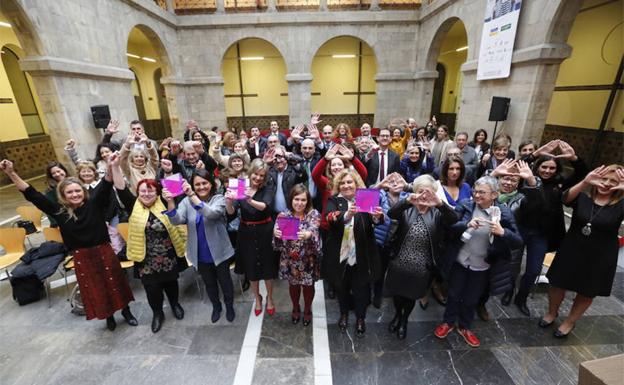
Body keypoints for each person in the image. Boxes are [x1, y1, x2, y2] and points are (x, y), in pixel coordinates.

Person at [1, 157, 137, 331]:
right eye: (70, 192)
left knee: (116, 282)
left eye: (77, 191)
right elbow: (31, 193)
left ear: (83, 192)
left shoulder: (94, 202)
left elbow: (107, 180)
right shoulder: (58, 211)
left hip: (104, 251)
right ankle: (109, 316)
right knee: (97, 289)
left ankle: (126, 311)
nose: (75, 195)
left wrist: (111, 164)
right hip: (82, 257)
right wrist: (11, 173)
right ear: (63, 196)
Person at [434, 176, 522, 348]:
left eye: (482, 192)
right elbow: (450, 227)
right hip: (460, 261)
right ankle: (448, 322)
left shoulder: (503, 213)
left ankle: (465, 326)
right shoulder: (466, 205)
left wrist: (503, 232)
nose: (477, 195)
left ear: (494, 195)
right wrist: (466, 224)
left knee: (471, 298)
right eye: (475, 191)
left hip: (483, 265)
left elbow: (518, 241)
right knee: (453, 294)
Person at [540, 165, 624, 337]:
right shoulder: (584, 196)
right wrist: (585, 181)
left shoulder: (621, 204)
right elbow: (564, 199)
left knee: (586, 291)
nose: (607, 183)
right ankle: (552, 312)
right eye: (604, 178)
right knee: (556, 284)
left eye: (613, 181)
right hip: (572, 248)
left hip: (600, 255)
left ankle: (570, 321)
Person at [111, 159, 187, 333]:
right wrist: (115, 166)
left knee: (171, 283)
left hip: (168, 254)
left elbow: (174, 188)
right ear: (137, 193)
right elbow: (120, 188)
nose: (146, 194)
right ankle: (157, 313)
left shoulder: (164, 200)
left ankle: (175, 304)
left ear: (157, 192)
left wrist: (168, 171)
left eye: (150, 190)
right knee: (152, 290)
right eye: (142, 191)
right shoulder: (133, 205)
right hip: (146, 259)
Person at [513, 140, 587, 316]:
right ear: (537, 167)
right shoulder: (525, 178)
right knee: (511, 265)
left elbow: (583, 174)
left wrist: (574, 158)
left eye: (552, 168)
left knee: (533, 270)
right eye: (544, 167)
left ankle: (521, 297)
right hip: (520, 228)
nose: (547, 171)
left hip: (541, 234)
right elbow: (515, 166)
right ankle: (509, 290)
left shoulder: (560, 184)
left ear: (557, 170)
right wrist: (535, 154)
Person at [386, 175, 458, 339]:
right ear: (414, 192)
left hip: (422, 265)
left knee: (411, 296)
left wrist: (440, 204)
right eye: (420, 191)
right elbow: (391, 213)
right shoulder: (407, 208)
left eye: (428, 192)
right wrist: (407, 201)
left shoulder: (438, 213)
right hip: (399, 261)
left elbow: (454, 219)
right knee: (397, 294)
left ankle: (404, 320)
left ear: (434, 193)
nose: (424, 195)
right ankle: (397, 315)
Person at [165, 169, 236, 323]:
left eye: (204, 183)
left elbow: (211, 214)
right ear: (192, 185)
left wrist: (192, 196)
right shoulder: (185, 202)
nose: (201, 187)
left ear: (211, 184)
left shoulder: (219, 199)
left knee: (225, 282)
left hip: (219, 251)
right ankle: (216, 307)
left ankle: (229, 306)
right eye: (197, 184)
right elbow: (176, 220)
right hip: (199, 252)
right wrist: (170, 201)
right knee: (209, 283)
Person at [476, 159, 541, 320]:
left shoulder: (522, 198)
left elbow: (537, 202)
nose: (508, 182)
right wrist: (494, 173)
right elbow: (477, 189)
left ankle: (482, 304)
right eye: (505, 177)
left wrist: (531, 181)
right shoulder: (488, 194)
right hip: (481, 242)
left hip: (507, 244)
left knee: (496, 277)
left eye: (514, 179)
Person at [323, 169, 383, 337]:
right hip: (340, 254)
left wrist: (377, 217)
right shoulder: (334, 200)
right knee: (341, 287)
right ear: (338, 186)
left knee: (362, 288)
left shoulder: (365, 198)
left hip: (362, 253)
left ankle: (360, 318)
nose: (346, 185)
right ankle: (343, 314)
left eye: (350, 182)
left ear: (356, 184)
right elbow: (329, 217)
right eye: (342, 183)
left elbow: (376, 220)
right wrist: (347, 214)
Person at [225, 158, 277, 316]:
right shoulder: (241, 185)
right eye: (256, 174)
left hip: (265, 231)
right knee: (251, 269)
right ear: (250, 173)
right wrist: (229, 202)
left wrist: (249, 199)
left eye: (262, 175)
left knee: (268, 268)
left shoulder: (268, 187)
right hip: (246, 231)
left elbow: (265, 206)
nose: (258, 178)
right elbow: (231, 213)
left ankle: (270, 298)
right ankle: (257, 297)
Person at [273, 184, 322, 326]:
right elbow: (277, 245)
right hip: (290, 260)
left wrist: (308, 234)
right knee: (293, 286)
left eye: (303, 200)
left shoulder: (313, 214)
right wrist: (276, 234)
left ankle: (307, 310)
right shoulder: (283, 215)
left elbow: (314, 231)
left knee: (308, 287)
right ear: (291, 199)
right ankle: (295, 307)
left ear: (308, 201)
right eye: (296, 199)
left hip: (308, 259)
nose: (299, 203)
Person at [43, 161, 69, 228]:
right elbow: (49, 209)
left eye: (58, 171)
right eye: (53, 173)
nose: (57, 174)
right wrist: (56, 224)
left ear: (64, 170)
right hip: (63, 222)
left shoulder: (73, 182)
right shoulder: (50, 190)